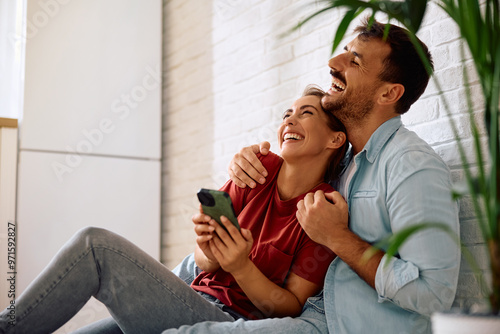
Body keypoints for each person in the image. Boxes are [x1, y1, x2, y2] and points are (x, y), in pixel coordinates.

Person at [160, 18, 460, 334]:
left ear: (389, 94)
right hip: (299, 314)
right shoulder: (345, 162)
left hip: (340, 326)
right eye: (344, 52)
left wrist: (338, 238)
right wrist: (243, 161)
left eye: (353, 61)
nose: (332, 63)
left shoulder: (411, 166)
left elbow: (433, 295)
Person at [0, 86, 347, 333]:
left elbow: (288, 306)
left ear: (335, 140)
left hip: (230, 321)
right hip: (190, 297)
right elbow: (204, 260)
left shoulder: (321, 210)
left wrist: (241, 266)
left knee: (95, 246)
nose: (290, 120)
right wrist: (209, 248)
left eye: (306, 113)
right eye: (287, 113)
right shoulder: (256, 167)